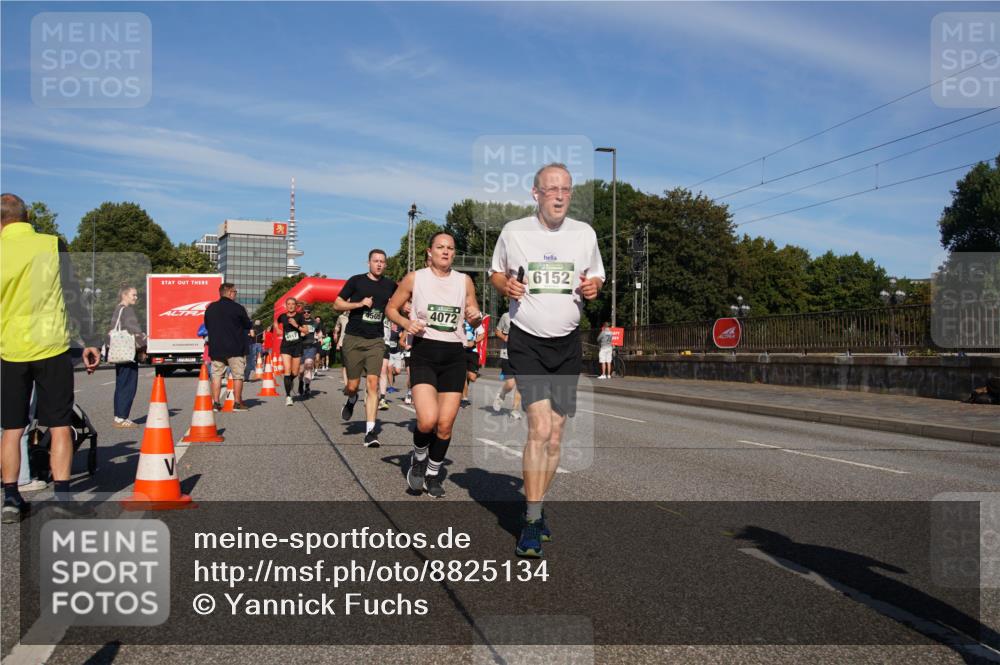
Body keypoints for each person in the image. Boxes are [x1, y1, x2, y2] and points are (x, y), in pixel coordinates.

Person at [489, 163, 605, 557]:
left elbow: (596, 277)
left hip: (568, 344)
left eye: (566, 190)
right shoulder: (514, 231)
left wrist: (592, 287)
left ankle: (534, 507)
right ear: (535, 193)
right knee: (538, 429)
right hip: (528, 342)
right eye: (552, 189)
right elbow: (495, 275)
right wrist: (508, 284)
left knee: (556, 437)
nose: (559, 195)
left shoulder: (584, 234)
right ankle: (533, 520)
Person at [1, 193, 101, 522]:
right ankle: (62, 497)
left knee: (12, 428)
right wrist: (89, 340)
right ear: (27, 217)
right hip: (52, 346)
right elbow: (71, 293)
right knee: (59, 424)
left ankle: (12, 498)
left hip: (10, 348)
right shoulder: (50, 244)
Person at [387, 231, 482, 498]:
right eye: (440, 247)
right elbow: (391, 308)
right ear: (429, 252)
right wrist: (407, 324)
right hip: (424, 353)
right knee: (427, 421)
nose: (445, 251)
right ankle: (418, 459)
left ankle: (432, 472)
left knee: (445, 425)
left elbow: (472, 315)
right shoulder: (415, 278)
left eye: (450, 248)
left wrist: (475, 317)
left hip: (454, 356)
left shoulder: (464, 281)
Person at [334, 249, 397, 448]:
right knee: (352, 386)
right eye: (375, 261)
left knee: (373, 383)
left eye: (382, 261)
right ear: (368, 263)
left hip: (376, 340)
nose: (379, 264)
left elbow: (401, 303)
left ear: (385, 265)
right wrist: (359, 304)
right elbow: (337, 304)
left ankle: (370, 432)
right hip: (353, 338)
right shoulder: (356, 281)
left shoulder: (390, 285)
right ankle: (352, 399)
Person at [204, 283, 252, 411]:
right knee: (237, 376)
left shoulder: (211, 308)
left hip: (216, 348)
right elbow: (247, 325)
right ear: (230, 292)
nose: (236, 294)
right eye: (235, 292)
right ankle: (237, 403)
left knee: (216, 375)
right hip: (235, 348)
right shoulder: (238, 308)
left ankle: (215, 403)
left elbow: (207, 326)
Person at [110, 285, 145, 428]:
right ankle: (122, 417)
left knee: (121, 384)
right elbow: (134, 329)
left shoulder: (118, 309)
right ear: (124, 295)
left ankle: (119, 415)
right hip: (128, 352)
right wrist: (144, 341)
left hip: (119, 351)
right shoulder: (128, 310)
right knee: (128, 384)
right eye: (133, 295)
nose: (136, 297)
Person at [492, 309, 522, 419]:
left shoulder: (529, 316)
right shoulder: (506, 316)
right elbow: (497, 331)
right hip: (507, 354)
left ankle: (514, 410)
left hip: (524, 355)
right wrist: (505, 337)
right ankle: (502, 394)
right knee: (510, 383)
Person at [275, 297, 305, 406]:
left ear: (296, 306)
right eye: (289, 304)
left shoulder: (300, 316)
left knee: (295, 372)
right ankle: (288, 396)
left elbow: (305, 330)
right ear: (286, 305)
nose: (291, 306)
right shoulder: (282, 316)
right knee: (287, 370)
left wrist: (296, 325)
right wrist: (277, 328)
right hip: (286, 347)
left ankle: (289, 381)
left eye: (293, 304)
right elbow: (275, 321)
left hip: (297, 346)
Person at [298, 306, 317, 398]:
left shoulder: (314, 322)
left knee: (309, 365)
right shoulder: (299, 321)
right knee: (301, 371)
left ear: (310, 313)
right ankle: (301, 382)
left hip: (311, 346)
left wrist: (320, 336)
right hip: (301, 347)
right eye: (304, 312)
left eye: (308, 312)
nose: (306, 313)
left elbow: (320, 331)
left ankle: (307, 387)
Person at [333, 311, 349, 385]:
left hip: (356, 343)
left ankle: (352, 383)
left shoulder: (359, 314)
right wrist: (336, 334)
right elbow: (337, 326)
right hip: (343, 342)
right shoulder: (341, 316)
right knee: (345, 364)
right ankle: (346, 385)